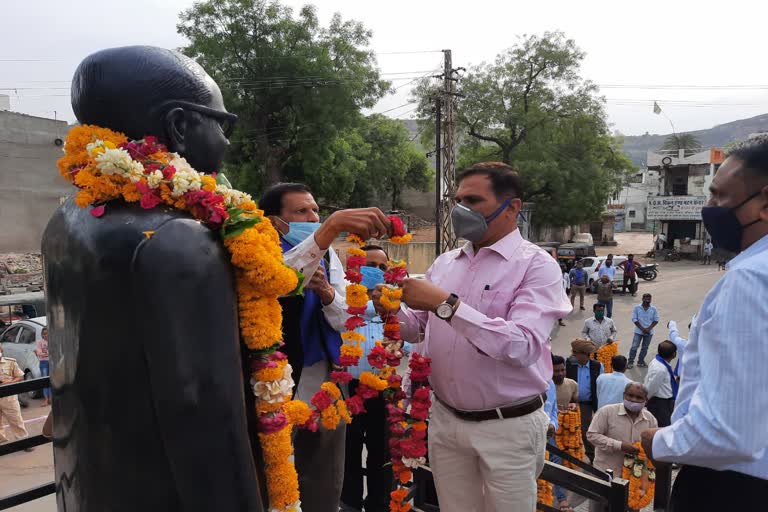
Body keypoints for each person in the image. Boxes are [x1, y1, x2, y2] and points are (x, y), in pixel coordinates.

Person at [374, 162, 571, 512]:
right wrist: (389, 309)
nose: (460, 210)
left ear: (512, 207)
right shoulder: (446, 263)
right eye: (457, 199)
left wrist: (444, 304)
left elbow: (522, 345)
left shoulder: (537, 265)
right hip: (446, 420)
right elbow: (417, 328)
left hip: (507, 426)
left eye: (473, 200)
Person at [642, 136, 768, 510]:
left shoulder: (751, 279)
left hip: (732, 487)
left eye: (718, 196)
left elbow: (729, 433)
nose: (708, 208)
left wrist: (659, 442)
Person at [259, 182, 392, 512]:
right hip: (275, 389)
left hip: (329, 384)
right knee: (275, 482)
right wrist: (331, 227)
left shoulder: (328, 252)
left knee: (324, 480)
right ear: (276, 221)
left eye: (316, 210)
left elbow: (348, 316)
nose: (314, 216)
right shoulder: (259, 247)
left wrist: (329, 296)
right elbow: (283, 278)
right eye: (301, 211)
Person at [341, 245, 396, 512]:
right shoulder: (340, 300)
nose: (376, 271)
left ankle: (379, 504)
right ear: (356, 268)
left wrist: (387, 311)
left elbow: (408, 346)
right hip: (346, 389)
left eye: (381, 267)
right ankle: (348, 503)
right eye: (369, 265)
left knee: (381, 453)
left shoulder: (396, 304)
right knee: (348, 451)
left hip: (383, 390)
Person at [587, 383, 657, 487]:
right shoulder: (607, 412)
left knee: (627, 503)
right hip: (606, 472)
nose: (633, 400)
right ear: (624, 395)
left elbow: (654, 444)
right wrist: (619, 445)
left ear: (646, 400)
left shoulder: (650, 419)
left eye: (639, 397)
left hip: (634, 478)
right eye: (630, 395)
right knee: (599, 503)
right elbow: (592, 435)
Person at [566, 339, 603, 461]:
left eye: (575, 352)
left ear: (585, 354)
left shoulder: (597, 366)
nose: (573, 354)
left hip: (587, 404)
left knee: (585, 430)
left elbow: (600, 386)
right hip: (571, 403)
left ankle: (592, 456)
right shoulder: (569, 364)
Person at [544, 375, 572, 512]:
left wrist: (553, 425)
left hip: (548, 436)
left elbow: (553, 409)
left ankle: (561, 499)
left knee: (556, 461)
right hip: (526, 437)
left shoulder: (550, 383)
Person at [0, 344, 30, 445]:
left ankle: (23, 441)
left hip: (9, 397)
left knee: (16, 420)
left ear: (1, 349)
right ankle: (2, 441)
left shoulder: (10, 362)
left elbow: (20, 377)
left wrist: (10, 382)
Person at [643, 341, 678, 427]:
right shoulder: (660, 369)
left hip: (663, 401)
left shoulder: (659, 361)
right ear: (674, 354)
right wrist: (645, 399)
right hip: (660, 403)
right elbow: (651, 387)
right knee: (662, 425)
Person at [627, 294, 659, 369]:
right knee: (634, 347)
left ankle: (640, 362)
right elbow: (634, 319)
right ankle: (630, 362)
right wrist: (642, 329)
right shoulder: (637, 308)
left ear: (651, 300)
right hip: (638, 331)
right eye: (646, 299)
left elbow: (656, 320)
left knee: (644, 348)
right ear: (642, 299)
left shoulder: (653, 309)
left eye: (649, 299)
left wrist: (648, 329)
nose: (647, 301)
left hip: (649, 332)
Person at [34, 327, 50, 406]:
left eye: (47, 333)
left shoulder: (53, 341)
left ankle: (51, 398)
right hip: (43, 362)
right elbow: (39, 352)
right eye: (44, 334)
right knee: (45, 381)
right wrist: (47, 354)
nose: (46, 335)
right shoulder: (40, 342)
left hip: (52, 363)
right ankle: (46, 399)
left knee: (52, 380)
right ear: (42, 335)